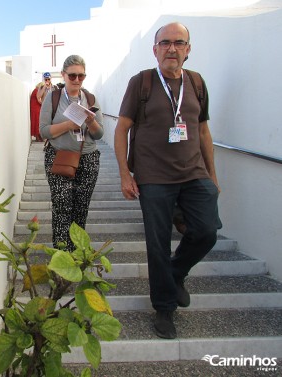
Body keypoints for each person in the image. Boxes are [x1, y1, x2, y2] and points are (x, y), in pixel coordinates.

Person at [114, 22, 222, 339]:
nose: (171, 48)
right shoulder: (142, 82)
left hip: (193, 173)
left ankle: (176, 272)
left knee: (206, 231)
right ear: (155, 49)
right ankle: (164, 307)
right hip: (153, 177)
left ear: (188, 49)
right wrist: (124, 173)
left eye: (178, 42)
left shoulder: (198, 83)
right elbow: (121, 128)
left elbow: (202, 131)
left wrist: (213, 177)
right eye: (165, 43)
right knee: (158, 244)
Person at [40, 55, 104, 251]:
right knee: (61, 207)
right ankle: (61, 256)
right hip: (59, 157)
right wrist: (69, 124)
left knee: (80, 208)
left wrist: (90, 120)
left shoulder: (91, 98)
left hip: (88, 158)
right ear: (64, 75)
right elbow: (43, 131)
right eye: (73, 76)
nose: (77, 80)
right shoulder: (54, 97)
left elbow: (99, 134)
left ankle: (76, 254)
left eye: (81, 76)